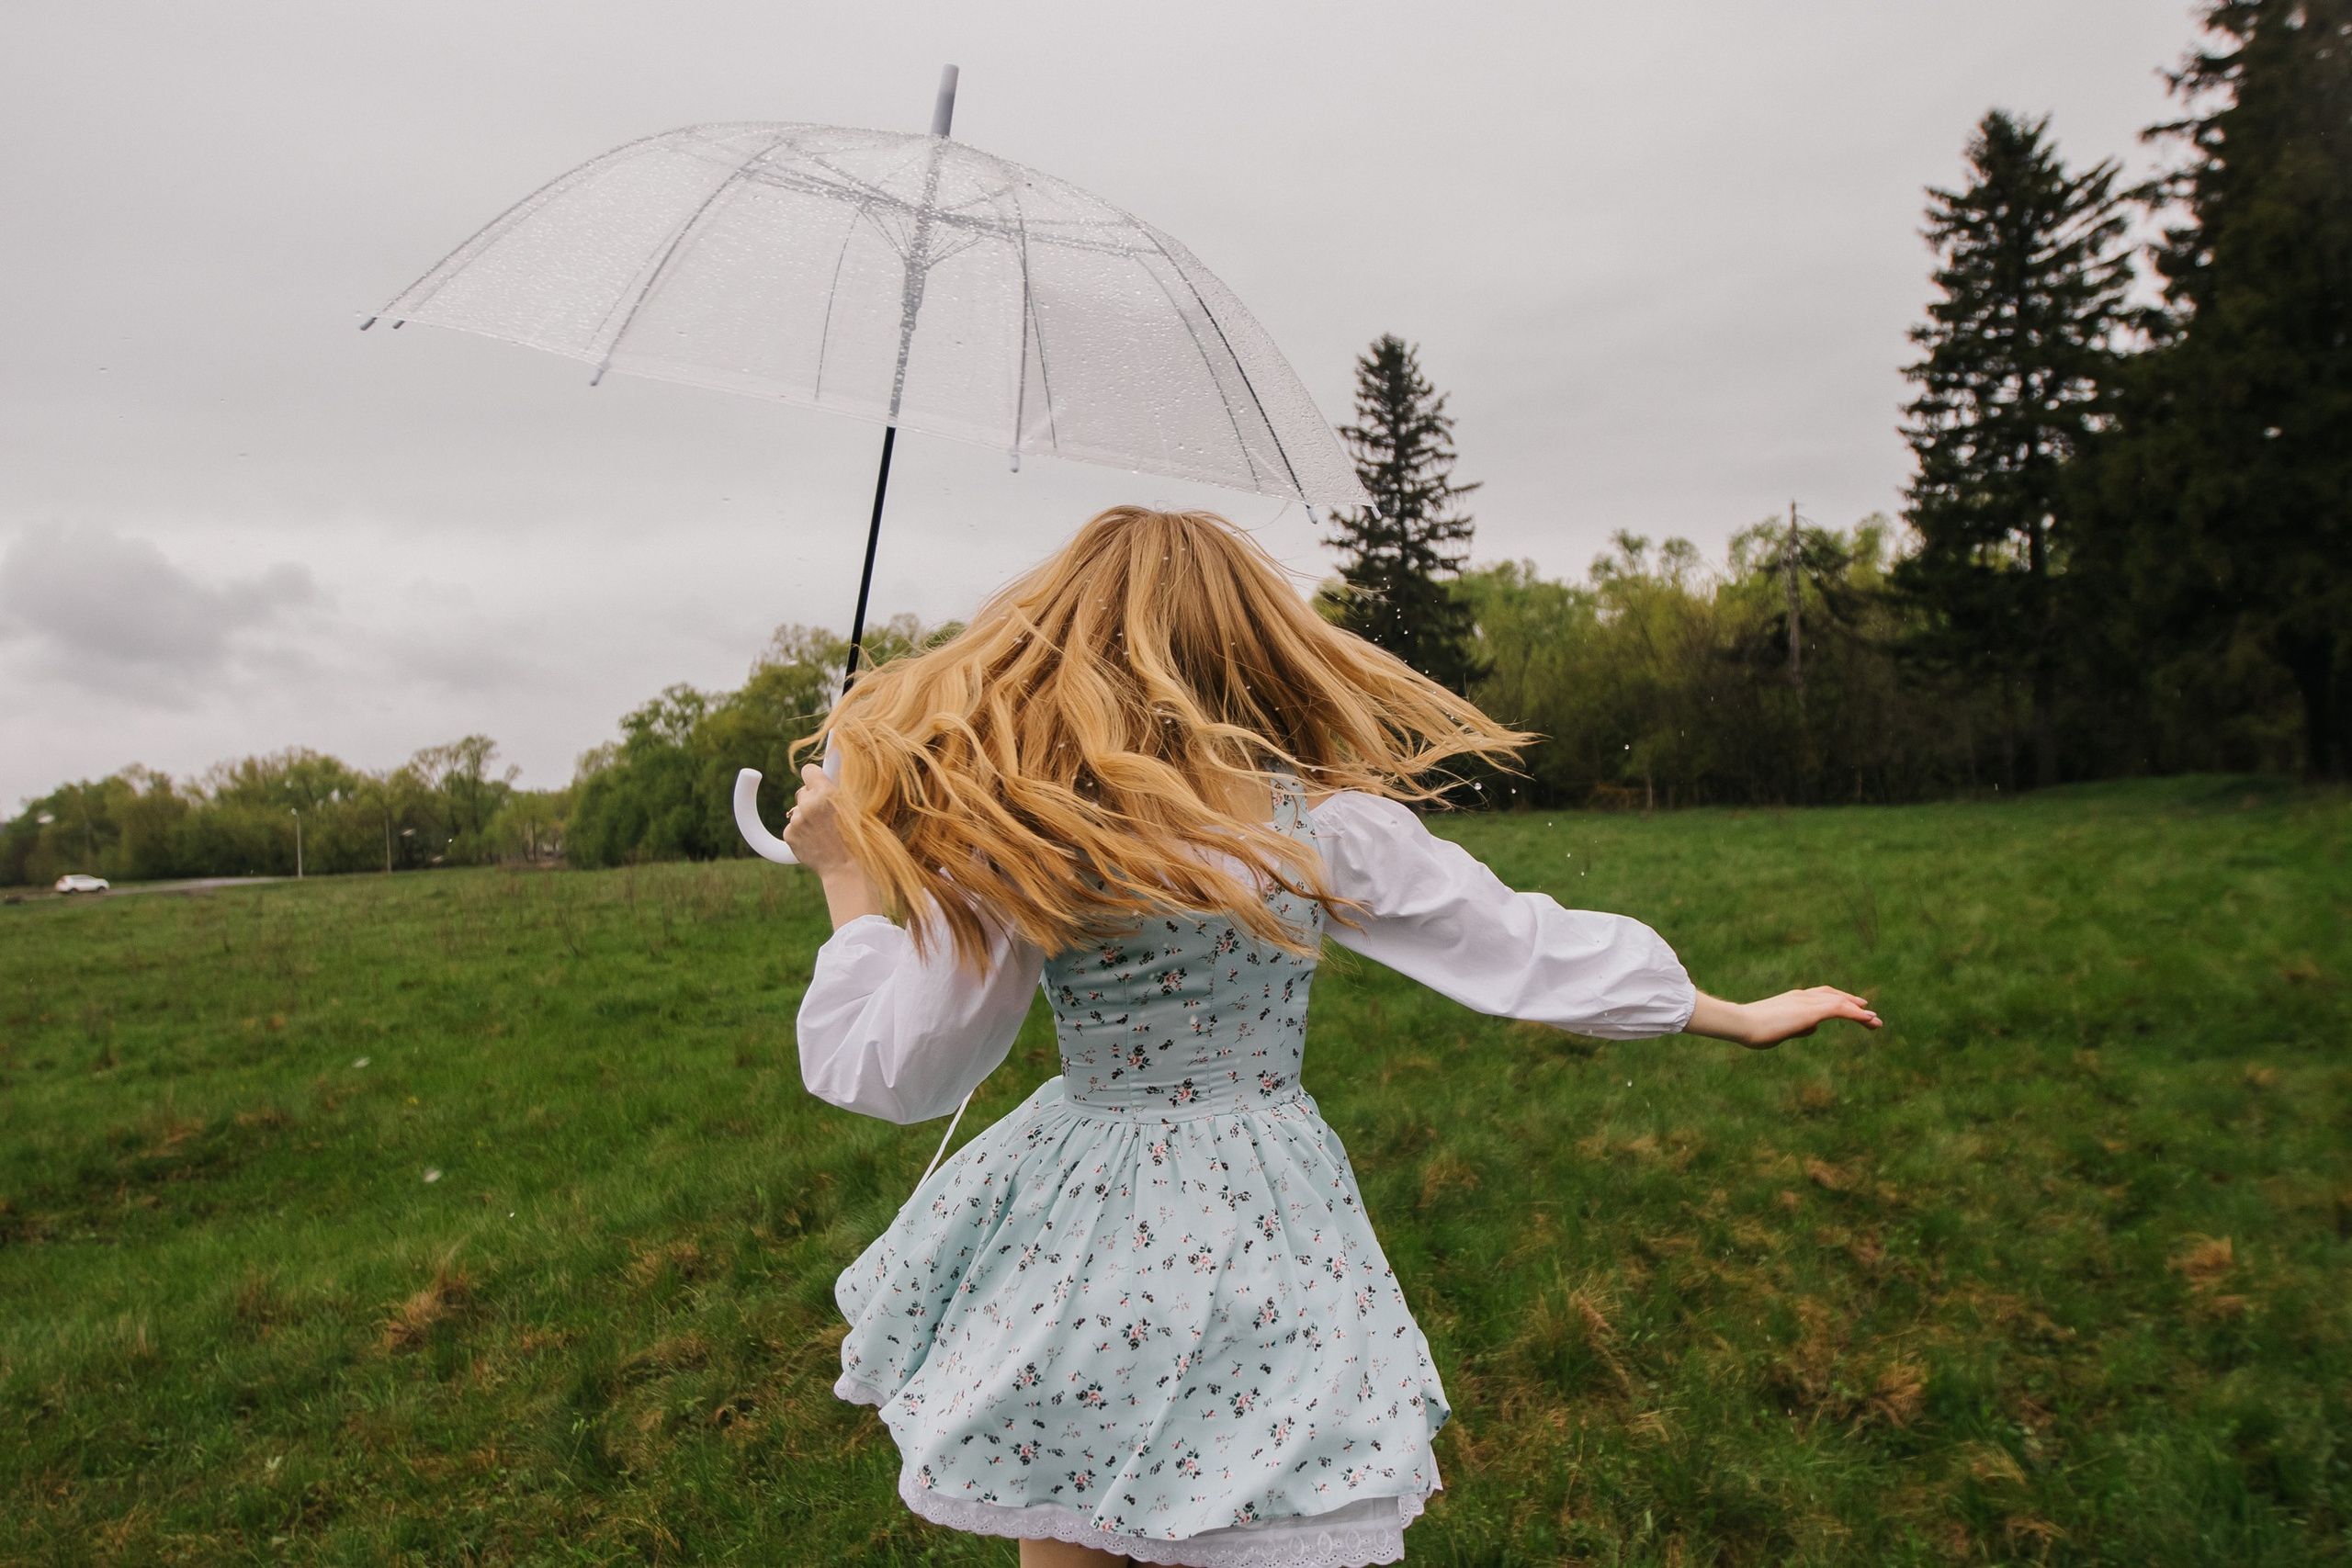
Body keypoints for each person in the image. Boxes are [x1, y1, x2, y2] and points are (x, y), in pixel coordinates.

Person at [781, 506, 1879, 1568]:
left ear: (1067, 647)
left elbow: (896, 1068)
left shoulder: (1035, 836)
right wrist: (1730, 1014)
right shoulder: (1320, 825)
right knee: (1263, 1489)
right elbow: (1520, 948)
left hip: (1076, 1235)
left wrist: (842, 878)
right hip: (1264, 1221)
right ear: (1251, 647)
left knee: (1066, 1504)